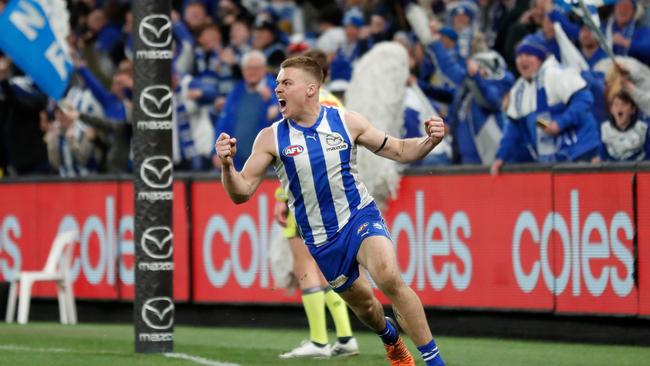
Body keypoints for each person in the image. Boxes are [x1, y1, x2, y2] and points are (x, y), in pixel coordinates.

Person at [215, 55, 446, 366]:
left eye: (286, 82)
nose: (277, 88)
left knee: (389, 277)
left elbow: (401, 150)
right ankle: (390, 338)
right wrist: (227, 166)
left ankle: (434, 361)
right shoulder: (270, 138)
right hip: (322, 238)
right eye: (277, 83)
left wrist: (430, 140)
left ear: (311, 89)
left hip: (360, 216)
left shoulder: (346, 122)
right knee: (366, 307)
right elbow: (241, 192)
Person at [273, 48, 359, 359]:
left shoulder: (302, 107)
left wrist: (282, 197)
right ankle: (346, 336)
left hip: (307, 198)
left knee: (305, 266)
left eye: (287, 79)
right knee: (329, 270)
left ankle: (320, 340)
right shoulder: (336, 105)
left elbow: (298, 153)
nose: (282, 86)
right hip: (337, 198)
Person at [599, 90, 650, 161]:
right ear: (611, 110)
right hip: (613, 169)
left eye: (623, 104)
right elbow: (602, 156)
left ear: (632, 110)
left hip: (637, 169)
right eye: (616, 104)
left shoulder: (642, 128)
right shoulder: (604, 128)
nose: (619, 108)